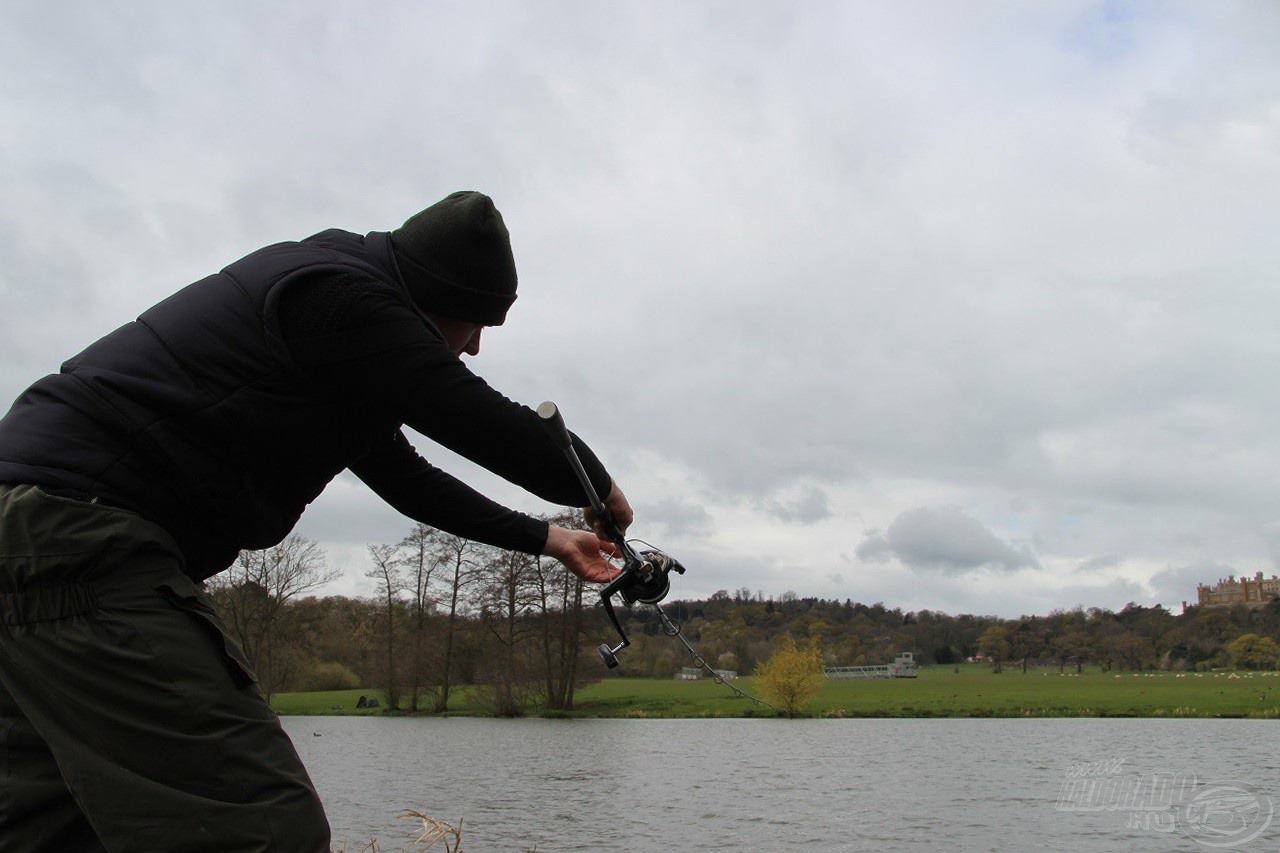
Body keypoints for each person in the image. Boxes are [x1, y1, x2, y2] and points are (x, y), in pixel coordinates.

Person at [0, 190, 633, 852]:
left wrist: (552, 538)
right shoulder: (342, 298)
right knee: (262, 826)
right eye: (471, 324)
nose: (472, 347)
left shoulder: (331, 318)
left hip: (34, 542)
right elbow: (483, 421)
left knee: (53, 824)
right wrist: (601, 487)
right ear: (430, 297)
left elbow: (409, 480)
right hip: (76, 538)